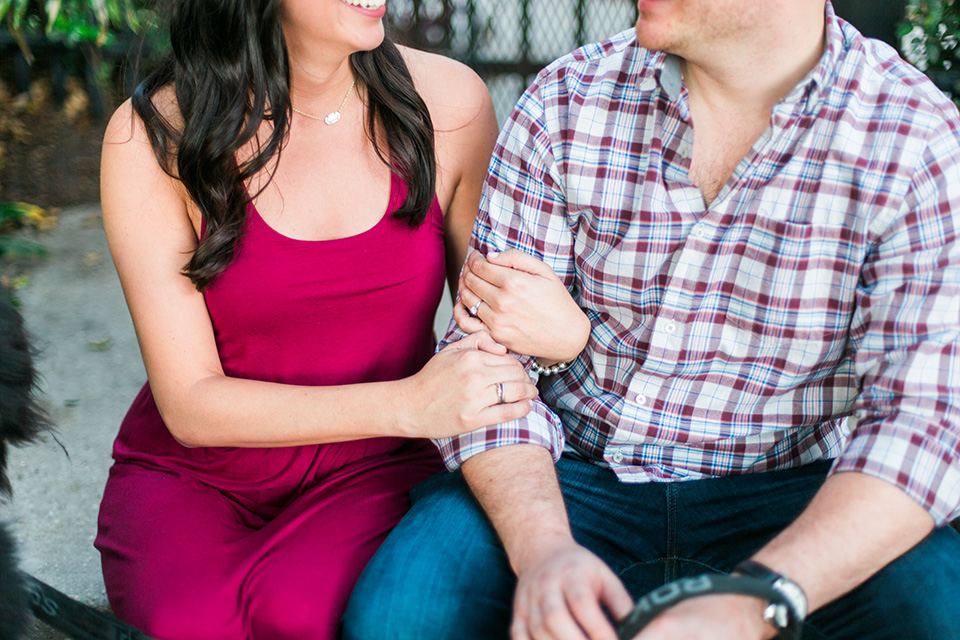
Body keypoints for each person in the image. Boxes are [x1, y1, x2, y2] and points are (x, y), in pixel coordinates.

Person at [342, 1, 960, 639]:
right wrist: (544, 551)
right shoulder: (566, 99)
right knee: (400, 616)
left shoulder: (912, 138)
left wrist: (759, 599)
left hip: (791, 492)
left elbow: (923, 425)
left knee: (939, 609)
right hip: (567, 476)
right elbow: (486, 364)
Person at [92, 0, 539, 638]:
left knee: (302, 614)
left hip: (377, 468)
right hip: (199, 472)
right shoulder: (150, 136)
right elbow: (189, 404)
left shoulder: (450, 104)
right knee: (184, 623)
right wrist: (408, 403)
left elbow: (500, 327)